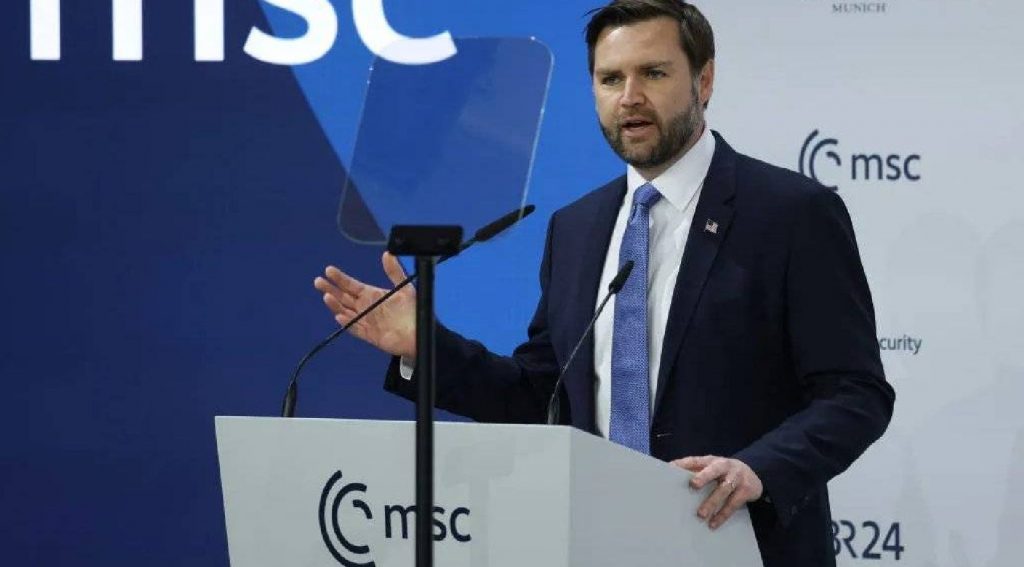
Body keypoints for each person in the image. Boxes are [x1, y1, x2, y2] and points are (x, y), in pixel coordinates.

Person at [314, 1, 895, 565]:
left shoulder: (790, 213)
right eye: (610, 78)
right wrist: (426, 347)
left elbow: (856, 394)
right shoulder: (577, 228)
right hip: (597, 541)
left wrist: (759, 470)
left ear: (704, 80)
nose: (630, 97)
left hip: (740, 540)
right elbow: (541, 396)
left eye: (654, 73)